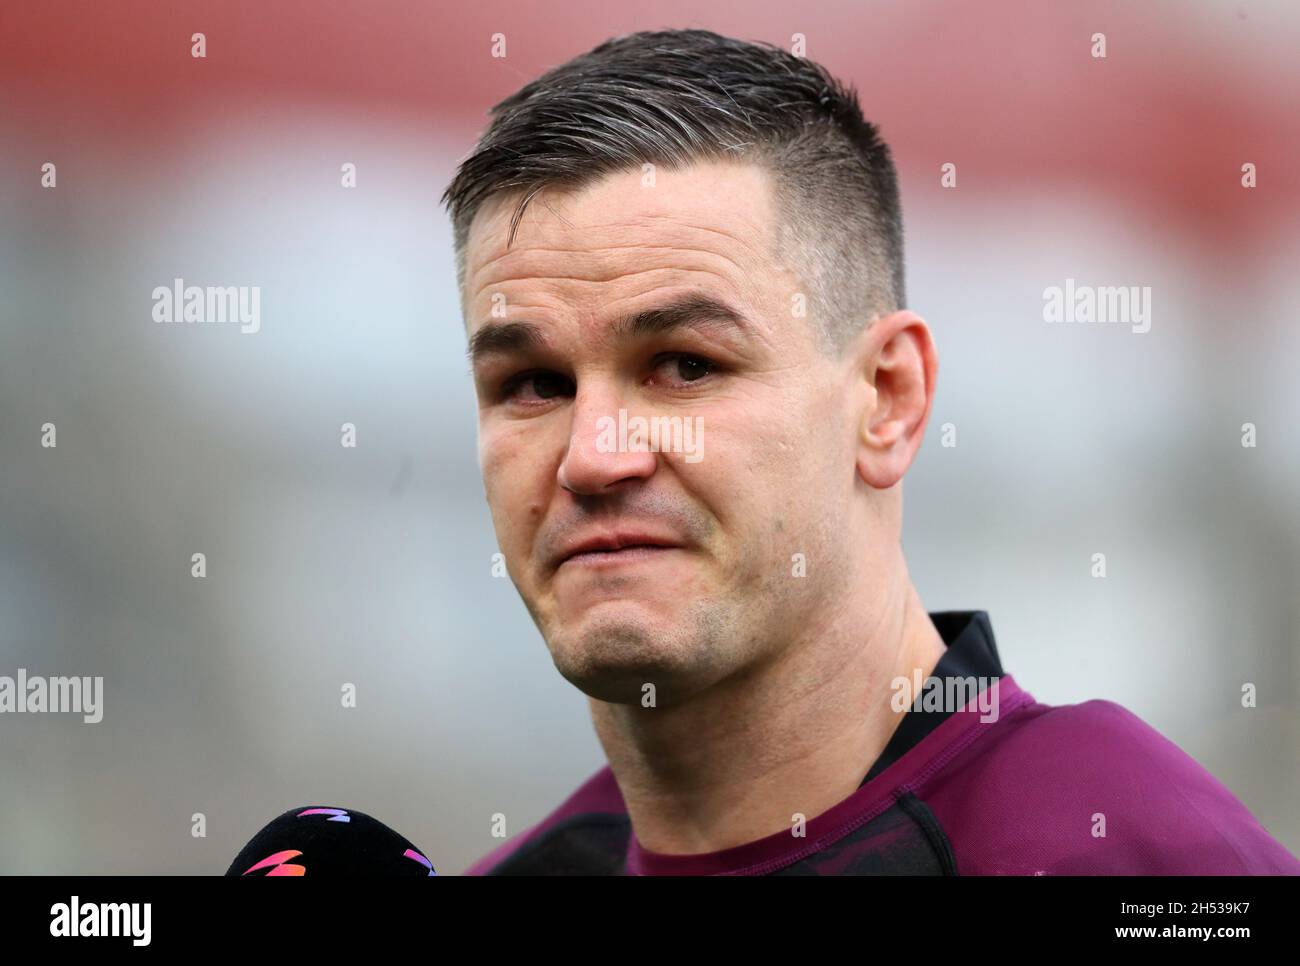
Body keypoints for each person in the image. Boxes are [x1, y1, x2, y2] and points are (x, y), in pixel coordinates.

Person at [439, 28, 1299, 875]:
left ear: (889, 399)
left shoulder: (1130, 861)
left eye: (684, 366)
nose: (592, 459)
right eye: (534, 384)